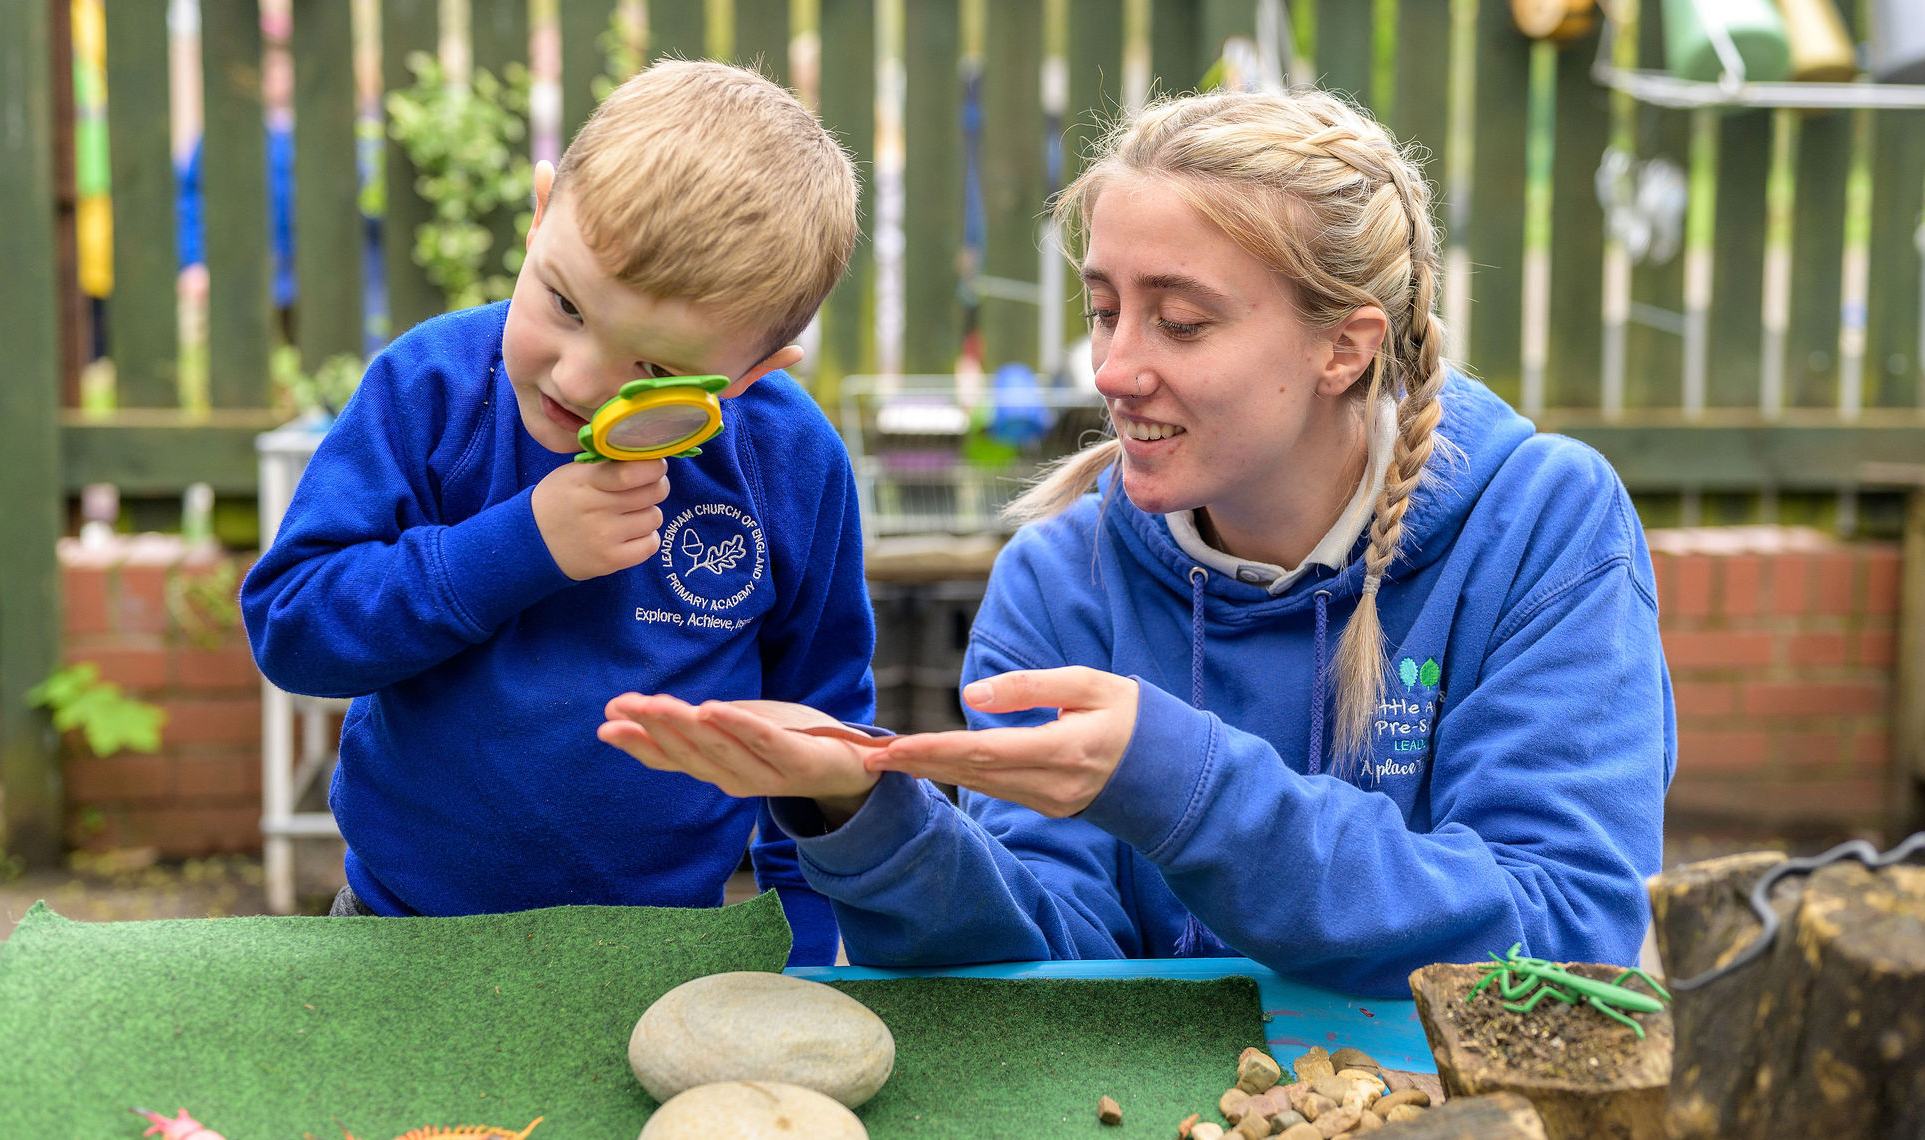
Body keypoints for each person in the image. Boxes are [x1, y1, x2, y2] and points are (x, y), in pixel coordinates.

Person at [597, 88, 1677, 995]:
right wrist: (862, 816)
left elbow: (1565, 938)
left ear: (1342, 348)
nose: (1111, 368)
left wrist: (1182, 781)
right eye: (1103, 308)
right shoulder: (1058, 578)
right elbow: (1048, 961)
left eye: (1181, 321)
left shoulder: (1539, 525)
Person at [241, 60, 871, 963]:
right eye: (564, 303)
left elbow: (818, 721)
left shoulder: (787, 460)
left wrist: (806, 951)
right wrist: (519, 546)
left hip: (665, 946)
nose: (579, 380)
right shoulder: (432, 390)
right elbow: (293, 628)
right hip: (399, 933)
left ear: (751, 376)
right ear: (540, 216)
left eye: (654, 370)